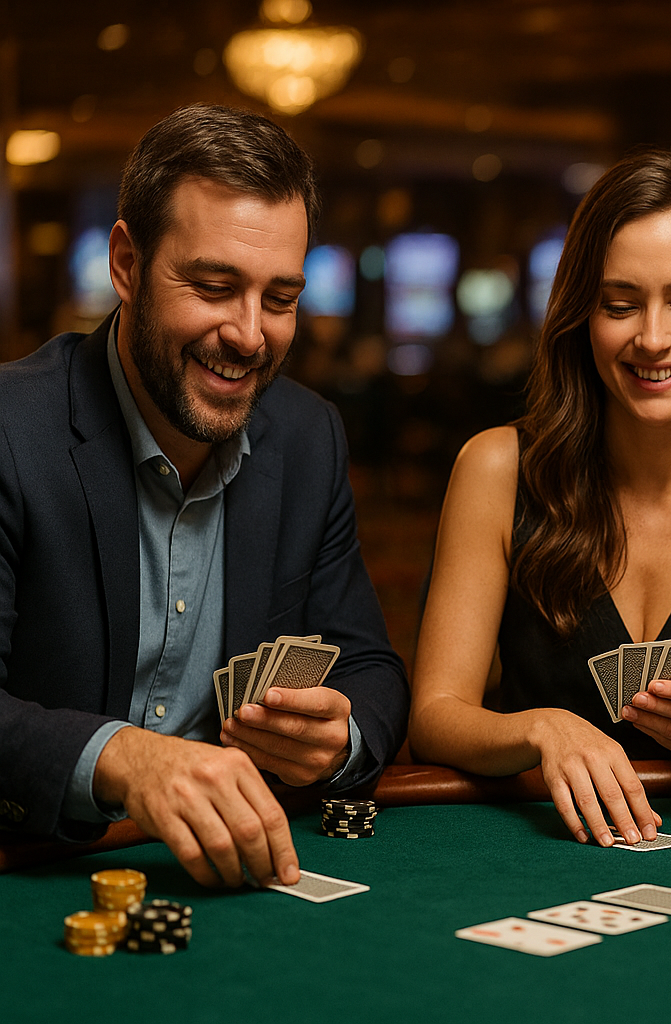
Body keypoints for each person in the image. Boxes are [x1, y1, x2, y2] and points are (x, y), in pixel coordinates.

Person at [0, 105, 410, 888]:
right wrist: (123, 758)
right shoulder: (10, 431)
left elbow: (372, 667)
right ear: (126, 264)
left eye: (281, 298)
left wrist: (341, 732)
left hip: (231, 886)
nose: (251, 335)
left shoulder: (308, 436)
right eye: (216, 286)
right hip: (34, 871)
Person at [409, 150, 671, 847]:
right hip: (537, 847)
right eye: (619, 305)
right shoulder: (494, 467)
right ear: (581, 312)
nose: (652, 338)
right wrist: (542, 728)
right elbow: (434, 715)